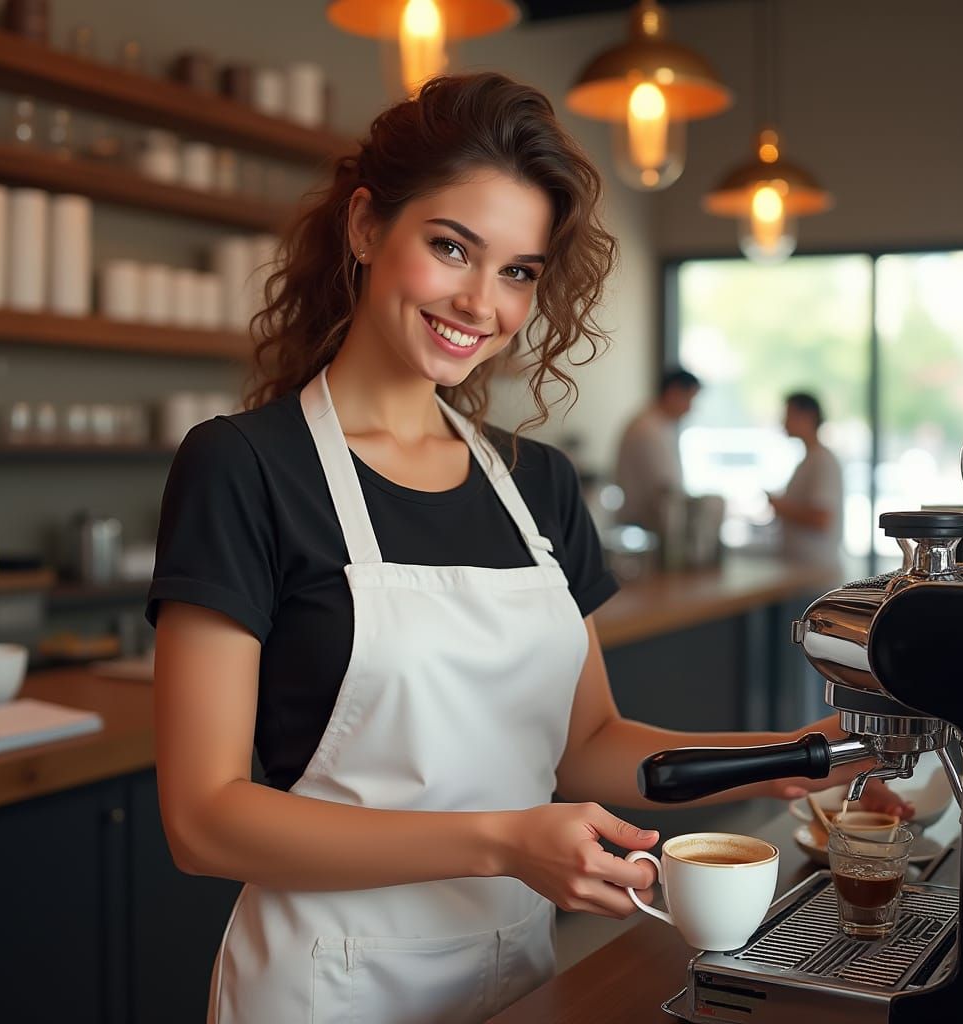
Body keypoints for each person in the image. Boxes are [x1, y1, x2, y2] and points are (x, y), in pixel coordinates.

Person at [147, 74, 907, 1024]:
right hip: (322, 983)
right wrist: (505, 842)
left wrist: (790, 754)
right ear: (364, 228)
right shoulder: (246, 466)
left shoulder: (534, 481)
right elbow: (203, 816)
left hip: (517, 972)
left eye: (518, 270)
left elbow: (587, 744)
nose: (482, 302)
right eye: (451, 247)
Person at [614, 367, 701, 531]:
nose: (690, 408)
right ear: (673, 393)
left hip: (651, 523)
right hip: (644, 527)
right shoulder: (647, 429)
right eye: (689, 399)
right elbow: (666, 486)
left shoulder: (660, 425)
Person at [768, 392, 844, 569]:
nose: (784, 422)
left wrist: (782, 507)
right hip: (804, 568)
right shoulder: (810, 459)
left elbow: (821, 518)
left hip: (814, 571)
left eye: (788, 415)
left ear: (807, 416)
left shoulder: (822, 460)